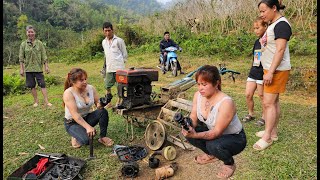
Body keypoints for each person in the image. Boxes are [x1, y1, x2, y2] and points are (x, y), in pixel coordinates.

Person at [181, 65, 246, 179]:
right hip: (214, 132)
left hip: (235, 138)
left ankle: (229, 164)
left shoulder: (226, 103)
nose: (200, 88)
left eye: (204, 84)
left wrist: (196, 134)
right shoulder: (198, 96)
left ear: (216, 83)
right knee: (189, 135)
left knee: (212, 144)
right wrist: (189, 125)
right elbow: (193, 116)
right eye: (199, 84)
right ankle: (212, 155)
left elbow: (216, 133)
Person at [253, 0, 292, 150]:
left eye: (263, 11)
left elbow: (280, 50)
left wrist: (270, 72)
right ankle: (272, 132)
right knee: (273, 103)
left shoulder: (282, 25)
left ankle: (267, 137)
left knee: (268, 103)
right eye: (260, 12)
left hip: (276, 70)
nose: (261, 14)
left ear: (274, 8)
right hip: (270, 69)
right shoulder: (273, 24)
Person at [63, 68, 114, 148]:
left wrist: (103, 102)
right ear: (73, 82)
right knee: (87, 140)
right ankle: (75, 135)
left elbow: (98, 105)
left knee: (102, 111)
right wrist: (88, 127)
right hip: (72, 122)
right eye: (81, 80)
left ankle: (103, 137)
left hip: (86, 118)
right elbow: (75, 114)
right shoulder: (68, 93)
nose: (85, 82)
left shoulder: (91, 88)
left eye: (85, 79)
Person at [242, 17, 268, 126]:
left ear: (265, 27)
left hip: (263, 73)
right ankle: (251, 114)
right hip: (253, 72)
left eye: (258, 28)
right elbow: (255, 57)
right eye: (254, 28)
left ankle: (264, 117)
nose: (256, 30)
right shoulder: (256, 42)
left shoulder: (269, 41)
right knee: (248, 94)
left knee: (262, 96)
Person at [19, 25, 52, 107]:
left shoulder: (39, 43)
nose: (30, 33)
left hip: (38, 68)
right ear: (26, 33)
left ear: (35, 33)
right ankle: (36, 101)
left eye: (32, 32)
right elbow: (21, 58)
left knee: (42, 85)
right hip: (28, 69)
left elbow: (44, 56)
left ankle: (46, 101)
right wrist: (21, 69)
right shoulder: (23, 44)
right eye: (29, 32)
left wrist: (46, 66)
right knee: (32, 86)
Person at [102, 22, 128, 106]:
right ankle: (108, 102)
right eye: (105, 31)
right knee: (107, 85)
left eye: (109, 30)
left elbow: (124, 54)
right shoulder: (104, 42)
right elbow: (106, 55)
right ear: (103, 31)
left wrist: (121, 64)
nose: (107, 33)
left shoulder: (119, 41)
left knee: (119, 86)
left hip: (119, 68)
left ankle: (119, 101)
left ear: (112, 30)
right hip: (109, 68)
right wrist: (104, 67)